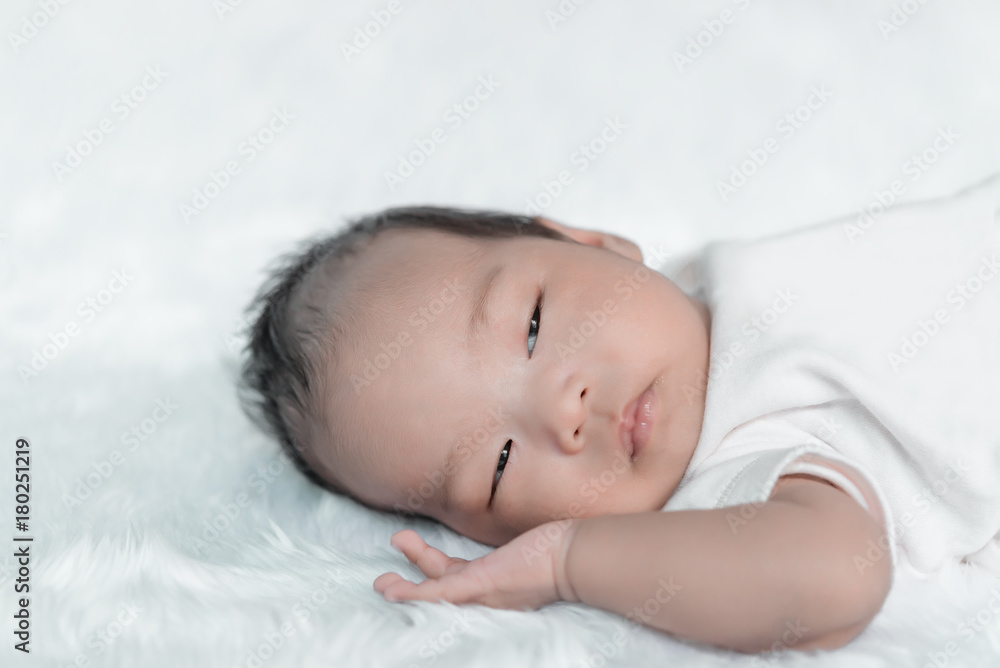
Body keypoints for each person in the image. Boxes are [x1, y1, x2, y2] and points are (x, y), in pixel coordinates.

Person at [237, 175, 1000, 653]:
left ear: (594, 243)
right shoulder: (734, 474)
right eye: (498, 465)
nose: (562, 411)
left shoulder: (724, 277)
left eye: (532, 325)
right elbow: (833, 580)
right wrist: (567, 564)